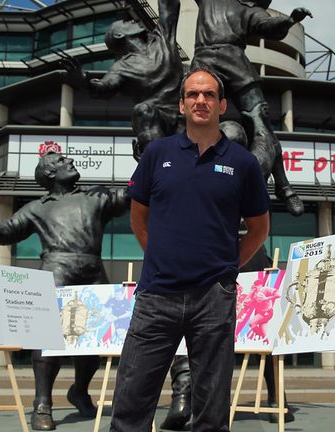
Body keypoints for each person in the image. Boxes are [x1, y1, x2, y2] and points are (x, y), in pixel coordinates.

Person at [110, 67, 270, 432]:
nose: (202, 100)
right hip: (156, 296)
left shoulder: (242, 163)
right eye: (194, 95)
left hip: (214, 298)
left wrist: (227, 269)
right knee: (130, 404)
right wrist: (161, 258)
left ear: (222, 104)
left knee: (211, 413)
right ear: (181, 105)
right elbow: (139, 219)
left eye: (210, 94)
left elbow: (259, 229)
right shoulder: (156, 153)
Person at [0, 152, 127, 431]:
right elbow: (7, 231)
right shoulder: (37, 207)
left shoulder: (94, 197)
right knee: (49, 338)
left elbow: (128, 197)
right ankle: (42, 404)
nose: (69, 161)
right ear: (50, 173)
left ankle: (79, 390)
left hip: (93, 271)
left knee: (92, 342)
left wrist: (149, 160)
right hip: (57, 269)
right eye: (61, 160)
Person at [191, 0, 313, 216]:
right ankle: (282, 186)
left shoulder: (248, 9)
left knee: (261, 121)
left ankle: (282, 184)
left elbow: (268, 26)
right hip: (204, 62)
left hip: (235, 60)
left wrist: (290, 20)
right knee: (189, 119)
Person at [60, 0, 183, 159]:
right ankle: (156, 167)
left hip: (187, 111)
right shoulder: (121, 67)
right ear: (119, 35)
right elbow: (104, 87)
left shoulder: (162, 38)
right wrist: (84, 81)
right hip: (156, 118)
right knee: (143, 111)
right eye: (125, 22)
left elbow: (170, 6)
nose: (132, 20)